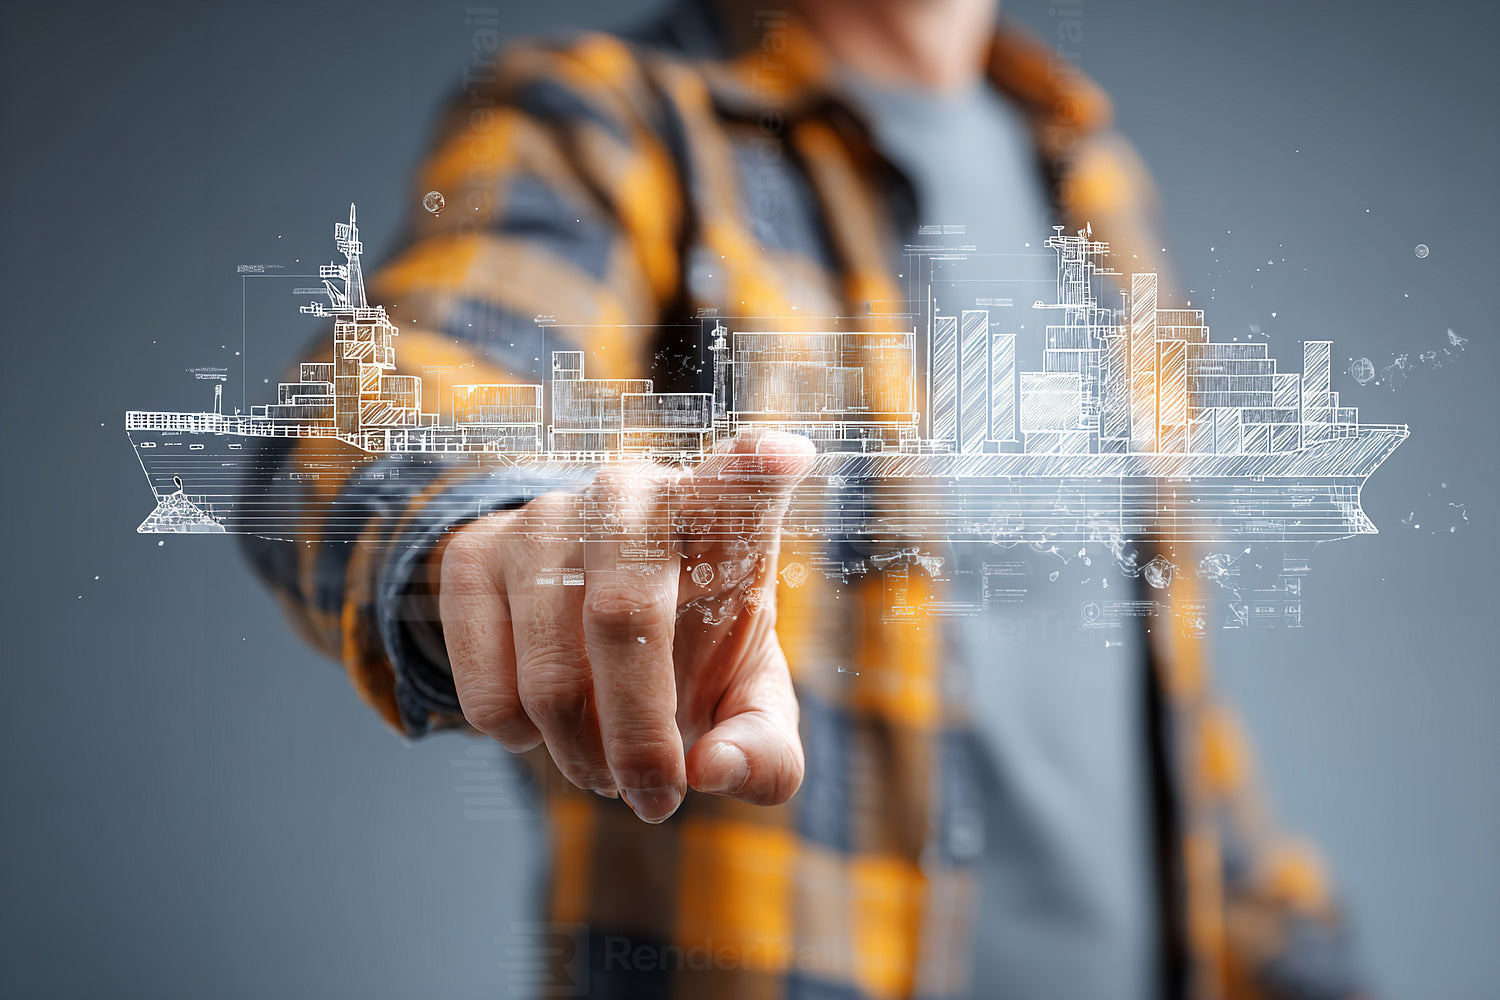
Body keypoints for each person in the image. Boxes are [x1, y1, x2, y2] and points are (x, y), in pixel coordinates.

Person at [243, 0, 1366, 996]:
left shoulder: (1094, 177)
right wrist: (487, 531)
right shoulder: (613, 121)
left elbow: (1152, 701)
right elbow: (387, 401)